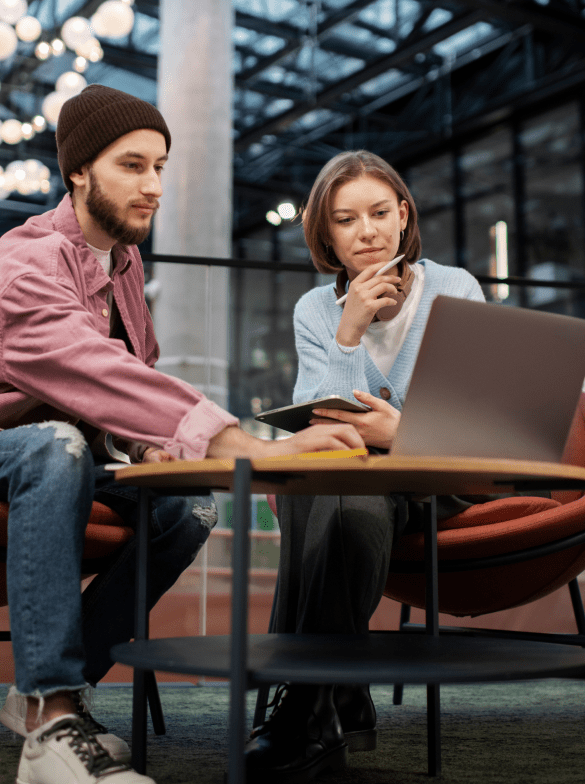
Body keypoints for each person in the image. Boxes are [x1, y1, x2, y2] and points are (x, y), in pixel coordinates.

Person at [0, 85, 364, 784]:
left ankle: (48, 696)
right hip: (19, 451)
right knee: (54, 444)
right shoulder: (25, 261)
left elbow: (128, 381)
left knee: (188, 508)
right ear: (78, 172)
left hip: (68, 457)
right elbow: (92, 370)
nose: (155, 187)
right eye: (132, 166)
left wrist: (144, 447)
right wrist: (244, 446)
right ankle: (50, 723)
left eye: (160, 167)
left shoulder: (124, 264)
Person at [244, 150, 485, 783]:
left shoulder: (456, 289)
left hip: (438, 485)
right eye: (346, 220)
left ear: (404, 215)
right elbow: (323, 430)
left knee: (341, 491)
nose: (368, 232)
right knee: (330, 489)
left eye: (379, 213)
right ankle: (333, 696)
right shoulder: (315, 311)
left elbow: (474, 437)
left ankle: (306, 700)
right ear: (326, 235)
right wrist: (348, 331)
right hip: (358, 486)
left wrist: (397, 433)